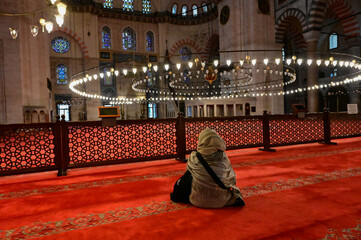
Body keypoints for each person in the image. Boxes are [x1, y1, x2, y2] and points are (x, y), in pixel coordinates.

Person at [186, 128, 245, 208]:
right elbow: (231, 180)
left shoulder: (193, 158)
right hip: (221, 200)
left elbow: (188, 175)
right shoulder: (222, 158)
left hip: (197, 200)